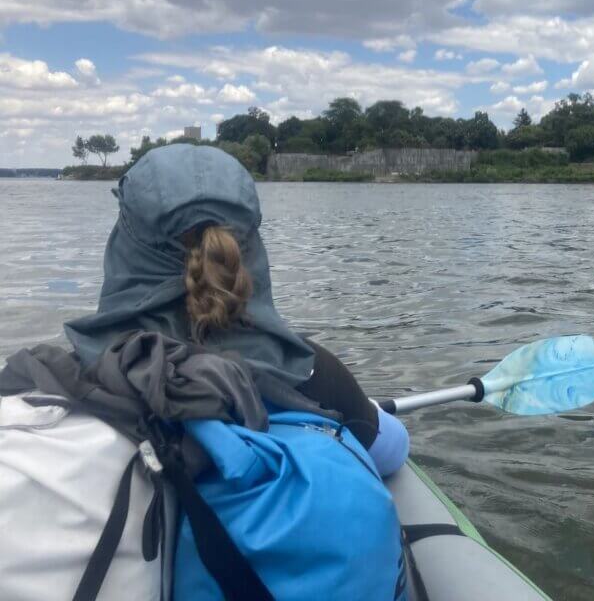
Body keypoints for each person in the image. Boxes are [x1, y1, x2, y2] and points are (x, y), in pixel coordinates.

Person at [64, 143, 409, 475]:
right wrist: (360, 406)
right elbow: (393, 452)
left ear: (126, 247)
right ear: (247, 250)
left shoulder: (77, 376)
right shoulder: (308, 371)